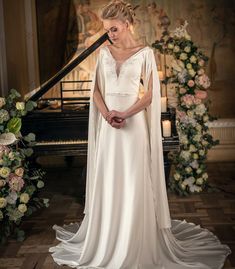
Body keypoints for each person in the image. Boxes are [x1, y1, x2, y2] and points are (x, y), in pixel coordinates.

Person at [49, 0, 231, 268]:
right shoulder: (104, 53)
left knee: (134, 180)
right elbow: (96, 91)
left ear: (127, 24)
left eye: (113, 29)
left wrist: (126, 113)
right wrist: (107, 113)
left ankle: (133, 241)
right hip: (110, 128)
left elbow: (150, 96)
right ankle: (109, 238)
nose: (110, 34)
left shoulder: (144, 53)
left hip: (133, 128)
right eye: (107, 30)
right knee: (110, 179)